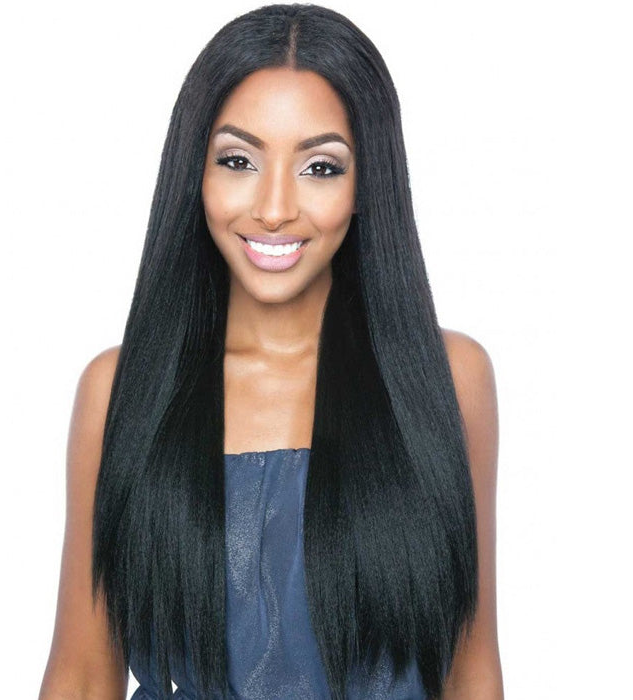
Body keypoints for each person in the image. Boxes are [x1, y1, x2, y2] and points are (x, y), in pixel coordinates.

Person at [39, 4, 503, 699]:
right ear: (195, 174)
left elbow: (472, 668)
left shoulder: (449, 380)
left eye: (320, 166)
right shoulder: (120, 390)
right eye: (238, 161)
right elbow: (81, 675)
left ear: (366, 184)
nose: (276, 207)